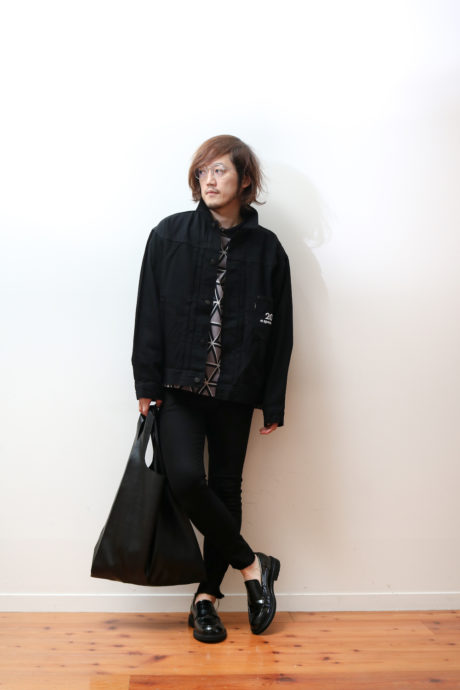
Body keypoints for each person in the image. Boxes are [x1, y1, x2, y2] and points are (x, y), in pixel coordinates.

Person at [131, 135, 293, 643]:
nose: (209, 179)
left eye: (220, 170)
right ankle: (253, 566)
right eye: (202, 171)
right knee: (185, 479)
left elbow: (282, 330)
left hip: (237, 387)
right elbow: (148, 311)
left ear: (245, 180)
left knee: (225, 489)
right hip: (178, 385)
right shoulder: (169, 235)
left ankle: (206, 598)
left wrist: (272, 398)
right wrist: (145, 381)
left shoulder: (268, 250)